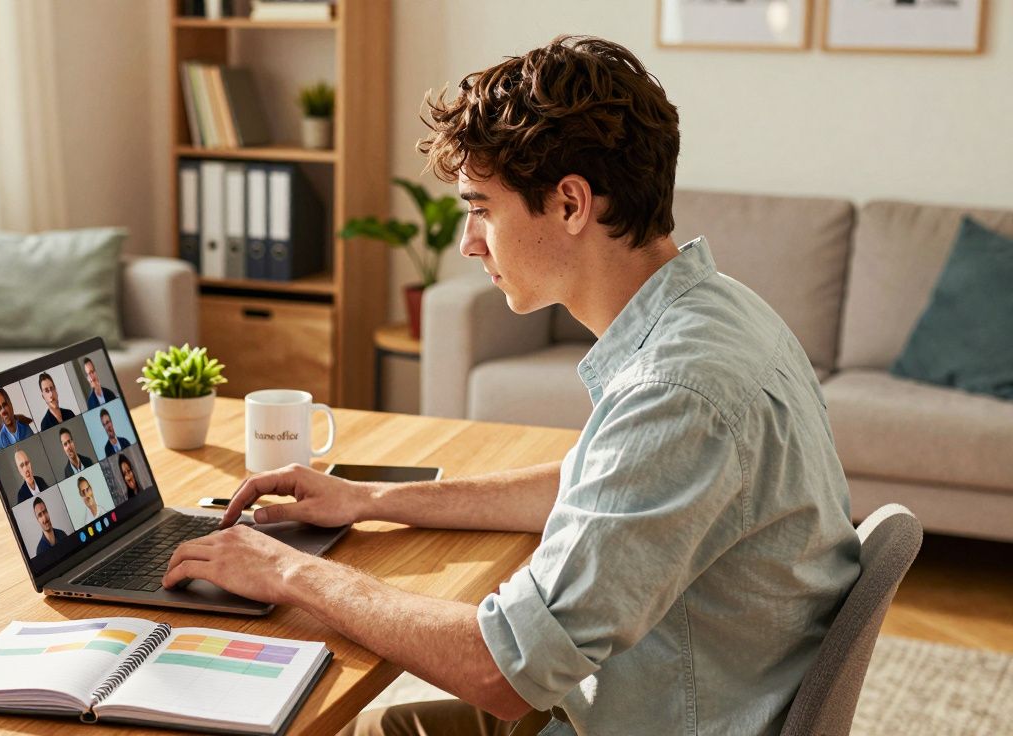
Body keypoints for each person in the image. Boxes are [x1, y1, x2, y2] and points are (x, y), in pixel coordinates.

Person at [161, 36, 860, 736]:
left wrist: (286, 572)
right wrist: (371, 499)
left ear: (569, 203)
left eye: (482, 208)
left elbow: (504, 670)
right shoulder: (718, 309)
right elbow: (599, 487)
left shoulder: (678, 390)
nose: (469, 242)